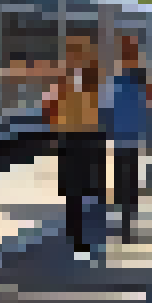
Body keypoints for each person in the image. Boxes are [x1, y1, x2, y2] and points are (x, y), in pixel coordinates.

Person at [48, 35, 109, 262]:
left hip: (81, 136)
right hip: (80, 136)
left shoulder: (78, 80)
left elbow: (53, 107)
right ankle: (80, 239)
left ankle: (83, 237)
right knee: (80, 190)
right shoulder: (82, 80)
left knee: (83, 189)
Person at [104, 34, 152, 245]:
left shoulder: (124, 80)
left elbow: (143, 110)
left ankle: (126, 223)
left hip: (126, 139)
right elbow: (145, 110)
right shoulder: (129, 79)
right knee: (126, 182)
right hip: (127, 139)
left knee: (125, 181)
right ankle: (126, 223)